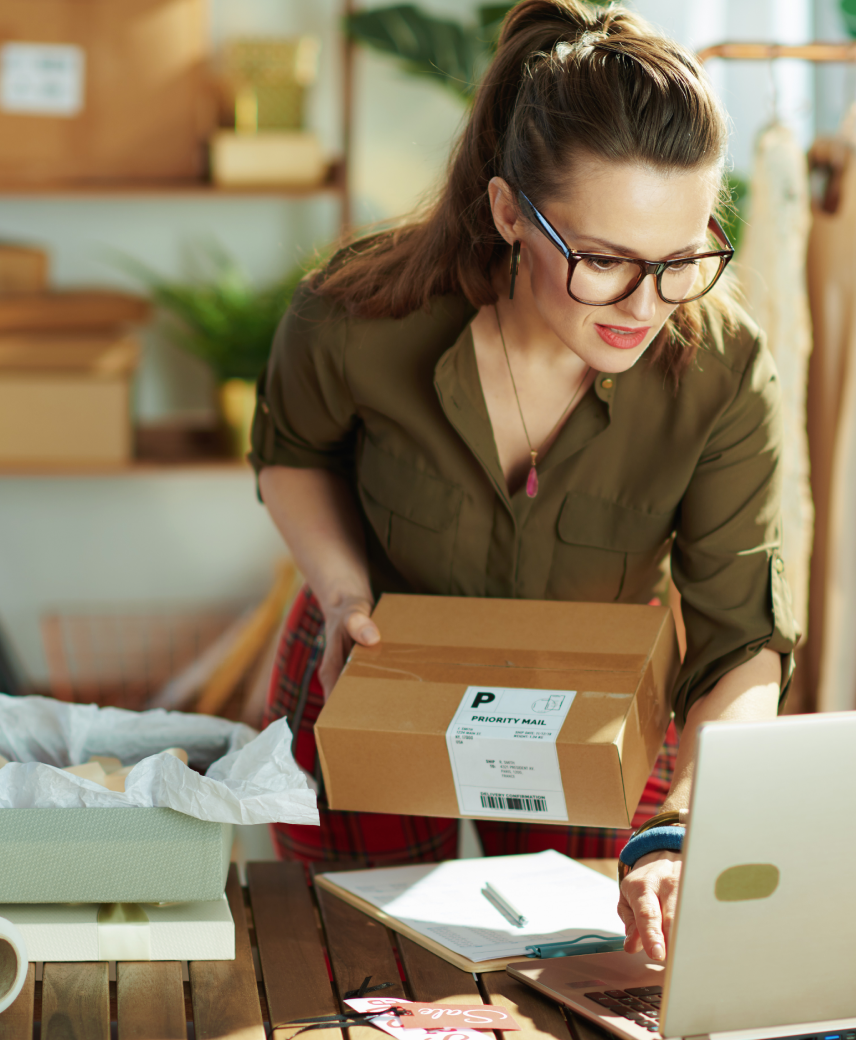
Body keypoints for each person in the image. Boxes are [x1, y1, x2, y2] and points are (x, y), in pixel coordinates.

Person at [250, 0, 798, 964]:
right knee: (337, 967)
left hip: (594, 710)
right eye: (604, 261)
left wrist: (682, 825)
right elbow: (293, 454)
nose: (645, 306)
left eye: (681, 260)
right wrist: (341, 593)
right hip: (369, 668)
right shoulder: (357, 313)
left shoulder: (723, 370)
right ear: (509, 211)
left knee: (586, 971)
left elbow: (741, 639)